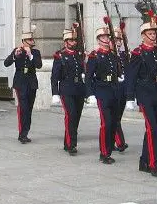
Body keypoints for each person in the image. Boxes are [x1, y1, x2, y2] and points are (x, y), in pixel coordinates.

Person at [124, 13, 157, 177]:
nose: (153, 36)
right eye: (150, 33)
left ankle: (144, 161)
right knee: (152, 129)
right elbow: (131, 76)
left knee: (156, 128)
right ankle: (152, 163)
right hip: (145, 94)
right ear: (143, 35)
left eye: (155, 33)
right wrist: (130, 97)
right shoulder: (138, 53)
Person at [86, 26, 121, 164]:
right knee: (106, 123)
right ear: (99, 40)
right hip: (102, 90)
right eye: (104, 37)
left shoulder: (112, 55)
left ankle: (109, 149)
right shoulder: (95, 56)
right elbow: (88, 76)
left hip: (114, 90)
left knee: (113, 123)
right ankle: (104, 153)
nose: (107, 39)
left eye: (108, 37)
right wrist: (90, 94)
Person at [51, 29, 86, 154]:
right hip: (66, 89)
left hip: (79, 89)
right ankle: (72, 144)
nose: (73, 42)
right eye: (71, 40)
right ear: (65, 42)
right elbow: (55, 76)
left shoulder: (79, 54)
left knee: (76, 117)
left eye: (75, 40)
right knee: (70, 115)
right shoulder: (60, 56)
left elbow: (83, 70)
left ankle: (67, 142)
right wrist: (55, 93)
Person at [4, 30, 42, 144]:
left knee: (29, 108)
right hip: (20, 82)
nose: (31, 41)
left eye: (32, 40)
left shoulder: (35, 52)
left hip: (31, 82)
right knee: (23, 108)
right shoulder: (17, 51)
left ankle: (26, 132)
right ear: (23, 41)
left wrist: (30, 55)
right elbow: (6, 63)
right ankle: (22, 134)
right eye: (29, 40)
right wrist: (15, 56)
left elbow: (39, 65)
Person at [112, 27, 129, 153]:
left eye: (120, 39)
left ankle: (112, 140)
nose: (118, 41)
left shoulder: (124, 54)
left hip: (123, 89)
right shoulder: (109, 54)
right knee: (114, 117)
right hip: (113, 89)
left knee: (118, 117)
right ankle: (120, 142)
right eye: (116, 39)